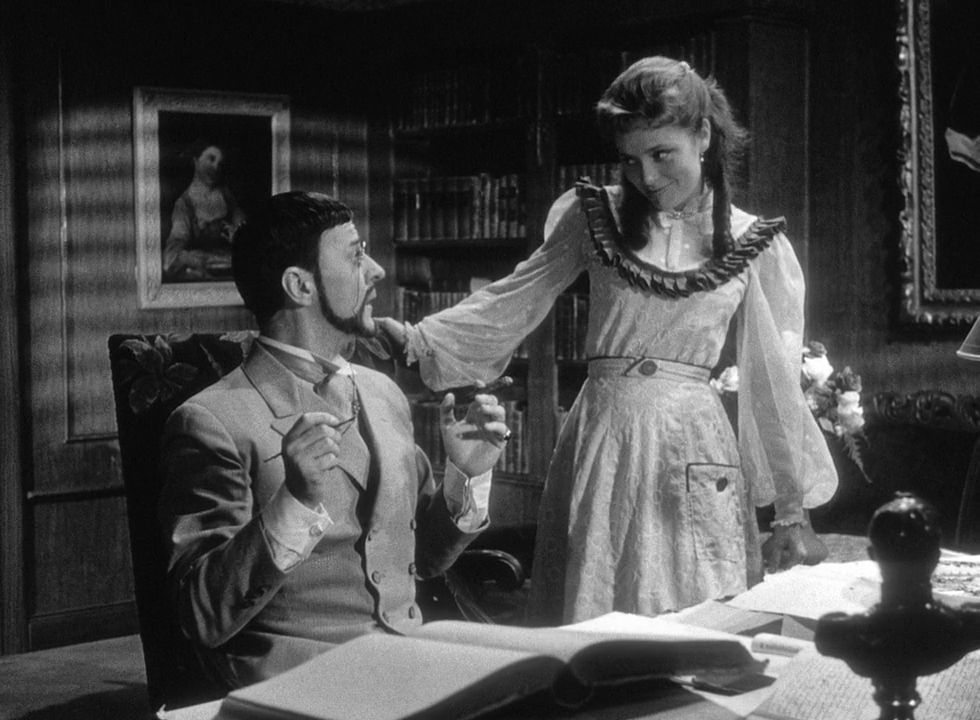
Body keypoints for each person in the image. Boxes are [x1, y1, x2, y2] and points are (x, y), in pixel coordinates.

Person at [376, 56, 838, 626]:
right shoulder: (594, 217)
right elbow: (516, 296)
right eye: (630, 159)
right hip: (603, 437)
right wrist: (416, 340)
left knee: (698, 613)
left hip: (695, 445)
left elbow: (773, 381)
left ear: (702, 137)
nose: (647, 176)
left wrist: (791, 511)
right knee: (592, 603)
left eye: (662, 154)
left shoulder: (752, 242)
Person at [158, 191, 508, 689]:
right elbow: (203, 616)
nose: (377, 270)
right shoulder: (210, 421)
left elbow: (424, 559)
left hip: (407, 666)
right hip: (297, 684)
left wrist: (466, 476)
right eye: (356, 254)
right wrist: (294, 502)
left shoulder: (384, 394)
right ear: (300, 285)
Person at [162, 138, 246, 282]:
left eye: (220, 163)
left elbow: (247, 232)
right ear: (196, 160)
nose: (216, 167)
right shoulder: (184, 204)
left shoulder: (227, 197)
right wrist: (188, 257)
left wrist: (238, 236)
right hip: (202, 273)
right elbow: (172, 252)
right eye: (211, 159)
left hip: (233, 269)